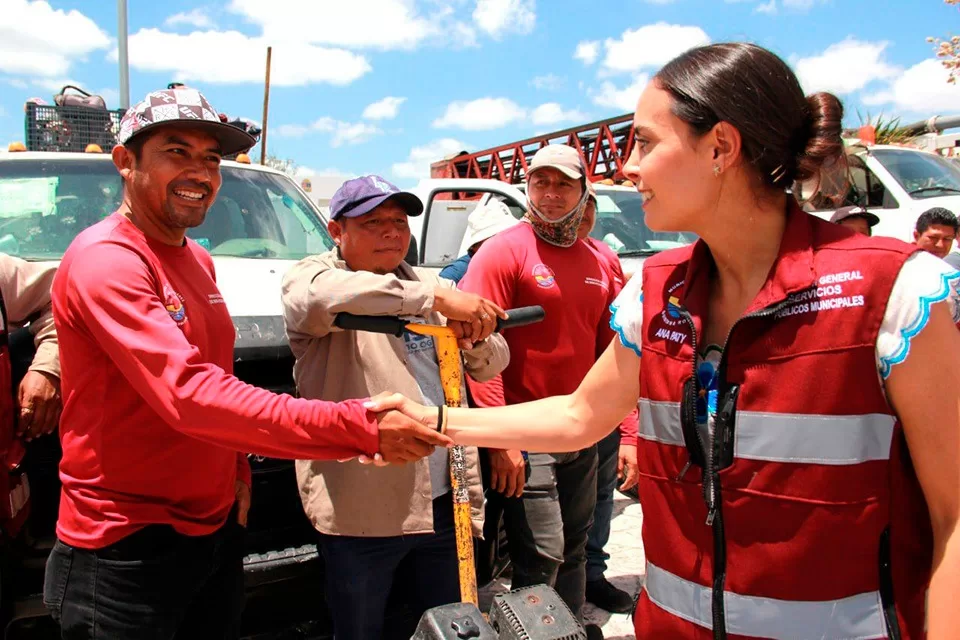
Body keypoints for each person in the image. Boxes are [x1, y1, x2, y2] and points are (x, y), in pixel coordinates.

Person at [370, 42, 960, 638]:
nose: (628, 166)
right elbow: (579, 414)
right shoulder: (654, 293)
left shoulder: (896, 292)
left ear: (720, 148)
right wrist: (430, 419)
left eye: (647, 142)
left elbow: (953, 514)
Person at [43, 88, 450, 640]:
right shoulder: (106, 260)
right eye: (176, 152)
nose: (199, 171)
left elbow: (220, 372)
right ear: (125, 162)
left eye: (210, 159)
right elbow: (188, 393)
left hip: (213, 527)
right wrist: (358, 428)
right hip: (127, 545)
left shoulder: (196, 259)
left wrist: (234, 468)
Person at [281, 175, 509, 640]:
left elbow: (494, 362)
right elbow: (317, 296)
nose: (391, 232)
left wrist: (476, 339)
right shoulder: (312, 277)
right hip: (360, 515)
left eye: (399, 222)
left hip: (446, 504)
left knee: (450, 626)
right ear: (336, 231)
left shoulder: (428, 284)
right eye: (373, 222)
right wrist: (435, 298)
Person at [458, 144, 630, 637]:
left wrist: (628, 432)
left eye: (564, 185)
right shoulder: (504, 250)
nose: (551, 195)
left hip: (583, 428)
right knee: (543, 551)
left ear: (583, 192)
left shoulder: (598, 258)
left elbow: (616, 353)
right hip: (526, 429)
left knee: (575, 544)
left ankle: (568, 628)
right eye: (541, 183)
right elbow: (477, 351)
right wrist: (501, 439)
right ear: (527, 188)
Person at [575, 183, 640, 616]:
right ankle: (552, 592)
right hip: (552, 413)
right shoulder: (517, 253)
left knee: (600, 499)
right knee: (558, 512)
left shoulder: (605, 258)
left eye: (589, 212)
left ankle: (593, 578)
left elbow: (625, 345)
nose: (582, 219)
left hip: (604, 410)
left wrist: (630, 428)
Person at [439, 196, 519, 284]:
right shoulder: (458, 271)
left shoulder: (506, 266)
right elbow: (439, 292)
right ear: (478, 243)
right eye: (500, 236)